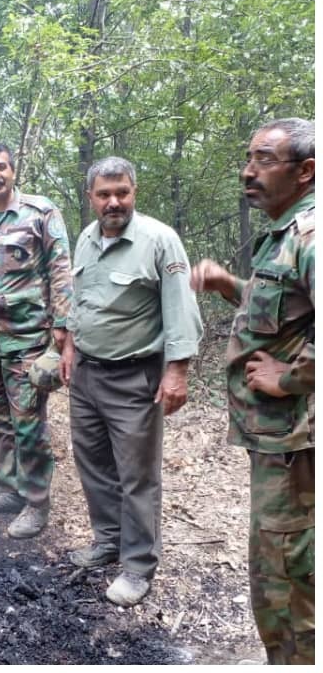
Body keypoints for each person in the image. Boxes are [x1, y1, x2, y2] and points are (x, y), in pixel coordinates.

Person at [190, 118, 314, 664]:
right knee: (277, 566)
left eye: (265, 159)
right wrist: (228, 286)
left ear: (306, 171)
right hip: (275, 442)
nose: (248, 171)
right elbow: (281, 313)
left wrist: (288, 378)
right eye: (249, 158)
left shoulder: (310, 236)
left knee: (285, 573)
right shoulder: (284, 235)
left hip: (297, 445)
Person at [60, 156, 202, 607]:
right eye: (104, 194)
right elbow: (79, 301)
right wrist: (67, 346)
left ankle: (138, 565)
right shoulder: (85, 239)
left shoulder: (159, 240)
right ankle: (107, 540)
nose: (113, 201)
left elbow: (181, 308)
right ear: (91, 198)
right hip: (86, 373)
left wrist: (177, 370)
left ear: (134, 191)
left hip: (134, 377)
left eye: (121, 192)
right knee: (93, 463)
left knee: (137, 476)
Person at [0, 142, 73, 539]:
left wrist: (63, 326)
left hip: (26, 336)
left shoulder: (40, 213)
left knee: (28, 424)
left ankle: (37, 505)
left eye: (1, 167)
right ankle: (9, 489)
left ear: (13, 170)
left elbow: (61, 270)